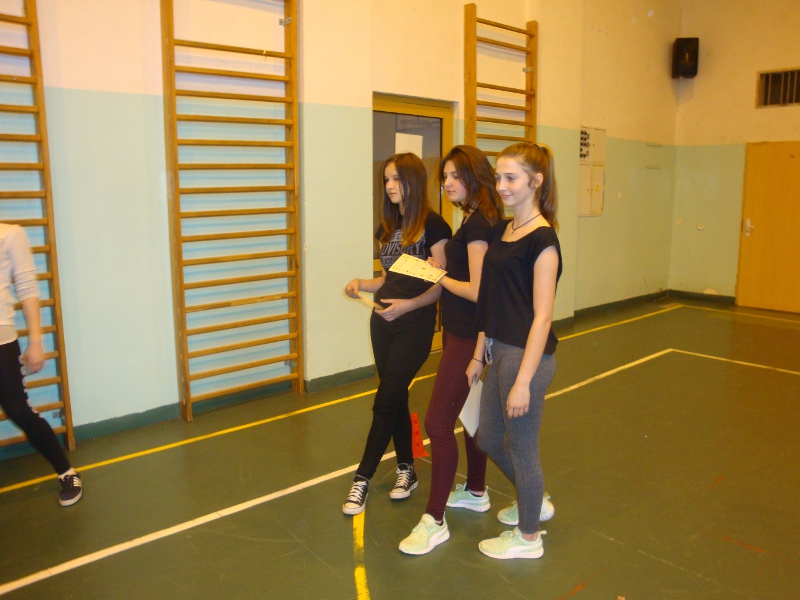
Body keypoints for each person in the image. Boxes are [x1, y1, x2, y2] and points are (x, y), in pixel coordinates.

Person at [397, 145, 503, 555]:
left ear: (476, 176)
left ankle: (435, 520)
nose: (447, 183)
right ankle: (476, 490)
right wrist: (441, 270)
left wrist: (437, 275)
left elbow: (477, 290)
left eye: (456, 175)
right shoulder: (478, 219)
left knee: (438, 424)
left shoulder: (477, 226)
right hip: (467, 333)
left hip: (467, 336)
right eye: (444, 177)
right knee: (470, 417)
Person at [465, 142, 561, 560]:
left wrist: (523, 381)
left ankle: (528, 538)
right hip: (498, 350)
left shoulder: (544, 240)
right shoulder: (504, 230)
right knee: (488, 436)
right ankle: (534, 500)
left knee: (522, 449)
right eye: (499, 177)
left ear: (535, 182)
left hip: (527, 357)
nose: (501, 186)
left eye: (511, 178)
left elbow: (543, 317)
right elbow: (491, 300)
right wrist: (477, 354)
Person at [343, 152, 451, 515]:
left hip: (414, 325)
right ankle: (407, 468)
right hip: (382, 323)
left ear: (413, 181)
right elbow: (388, 280)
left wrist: (407, 306)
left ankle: (362, 478)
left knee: (384, 401)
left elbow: (441, 284)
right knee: (397, 395)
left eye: (397, 179)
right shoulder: (387, 228)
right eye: (386, 180)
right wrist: (362, 284)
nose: (390, 186)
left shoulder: (434, 226)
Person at [0, 223, 82, 506]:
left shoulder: (9, 234)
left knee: (18, 409)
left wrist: (35, 341)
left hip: (2, 341)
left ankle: (66, 472)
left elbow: (26, 287)